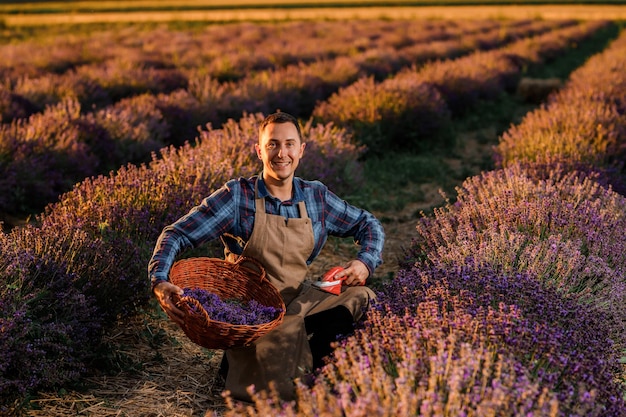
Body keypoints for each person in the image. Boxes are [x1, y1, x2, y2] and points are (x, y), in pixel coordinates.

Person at [148, 111, 384, 401]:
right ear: (259, 150)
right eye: (272, 144)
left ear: (301, 150)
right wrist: (159, 280)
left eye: (289, 144)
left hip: (300, 300)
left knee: (362, 298)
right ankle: (243, 363)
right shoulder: (238, 197)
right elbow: (177, 234)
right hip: (253, 316)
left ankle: (327, 373)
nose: (281, 153)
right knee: (282, 393)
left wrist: (364, 261)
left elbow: (368, 223)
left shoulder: (316, 197)